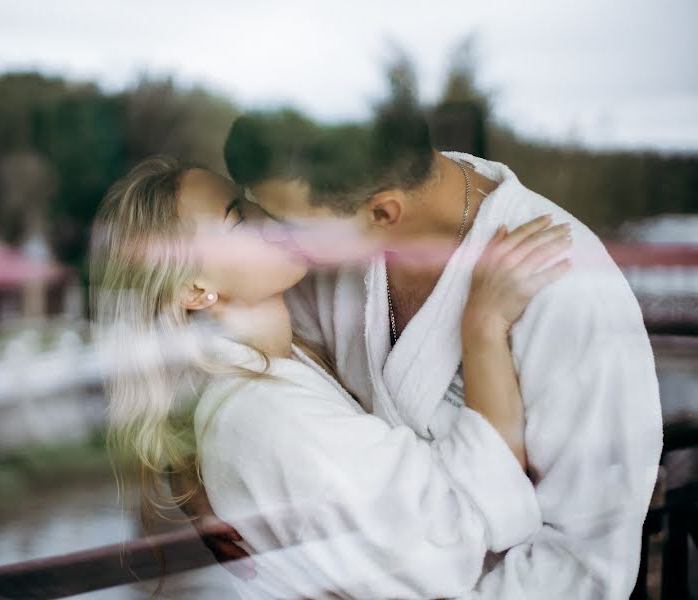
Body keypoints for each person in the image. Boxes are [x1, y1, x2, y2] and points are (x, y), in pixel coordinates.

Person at [211, 108, 664, 598]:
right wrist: (201, 484)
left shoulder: (571, 292)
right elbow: (237, 353)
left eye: (287, 223)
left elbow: (586, 558)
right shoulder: (335, 254)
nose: (271, 235)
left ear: (383, 213)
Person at [91, 156, 572, 598]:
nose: (269, 219)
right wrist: (484, 326)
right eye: (237, 219)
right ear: (195, 289)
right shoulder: (267, 417)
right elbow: (447, 546)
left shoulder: (277, 362)